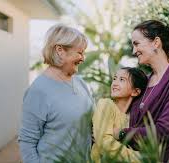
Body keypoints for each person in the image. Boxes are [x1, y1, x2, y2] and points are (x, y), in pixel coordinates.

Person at [115, 20, 169, 163]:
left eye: (136, 44)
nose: (133, 51)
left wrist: (121, 133)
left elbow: (164, 131)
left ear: (156, 43)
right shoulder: (145, 81)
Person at [18, 24, 94, 163]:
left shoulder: (81, 83)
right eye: (80, 52)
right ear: (60, 50)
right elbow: (27, 142)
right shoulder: (38, 91)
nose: (83, 58)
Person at [91, 67, 148, 163]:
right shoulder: (106, 104)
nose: (115, 83)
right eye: (115, 79)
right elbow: (104, 141)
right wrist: (140, 158)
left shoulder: (132, 117)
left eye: (122, 80)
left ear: (135, 92)